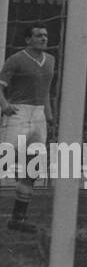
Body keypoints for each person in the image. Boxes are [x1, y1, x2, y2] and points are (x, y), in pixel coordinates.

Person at [0, 24, 57, 234]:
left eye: (45, 35)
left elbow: (47, 92)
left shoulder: (51, 60)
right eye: (38, 35)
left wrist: (49, 116)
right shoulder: (16, 59)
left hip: (39, 114)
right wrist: (4, 104)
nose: (43, 38)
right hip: (19, 112)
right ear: (28, 39)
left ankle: (18, 218)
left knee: (32, 168)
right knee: (3, 161)